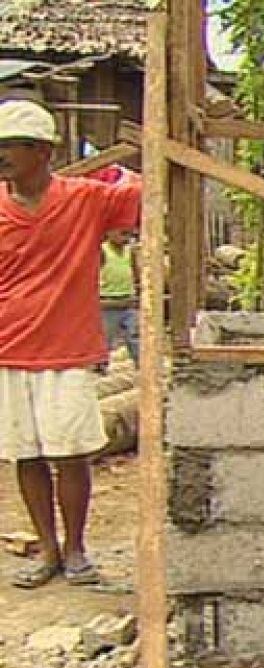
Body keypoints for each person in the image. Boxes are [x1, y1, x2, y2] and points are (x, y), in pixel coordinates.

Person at [0, 99, 140, 588]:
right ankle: (48, 551)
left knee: (71, 455)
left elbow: (144, 193)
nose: (2, 157)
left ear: (40, 150)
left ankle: (77, 548)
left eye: (9, 147)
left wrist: (140, 153)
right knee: (27, 455)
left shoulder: (85, 200)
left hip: (67, 350)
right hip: (8, 350)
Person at [100, 229, 140, 364]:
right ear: (110, 233)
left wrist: (139, 293)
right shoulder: (102, 251)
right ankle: (101, 366)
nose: (125, 238)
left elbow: (136, 273)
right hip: (108, 302)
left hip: (128, 300)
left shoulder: (130, 251)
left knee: (134, 335)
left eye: (128, 234)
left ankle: (141, 364)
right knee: (105, 338)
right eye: (122, 234)